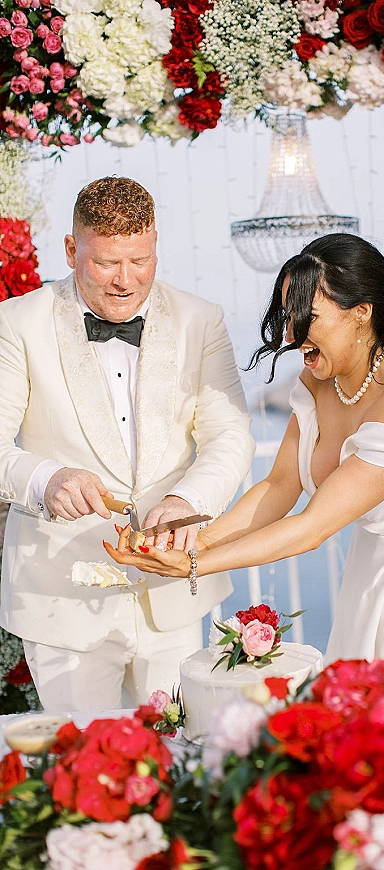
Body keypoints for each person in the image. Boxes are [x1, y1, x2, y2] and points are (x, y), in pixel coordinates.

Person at [105, 232, 384, 686]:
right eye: (287, 315)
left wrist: (193, 567)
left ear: (361, 313)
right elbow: (280, 485)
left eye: (307, 315)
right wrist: (193, 541)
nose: (289, 333)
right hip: (376, 568)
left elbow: (313, 526)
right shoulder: (318, 383)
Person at [0, 176, 254, 712]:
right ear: (72, 250)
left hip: (173, 591)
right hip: (61, 595)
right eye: (106, 263)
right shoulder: (17, 322)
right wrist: (47, 480)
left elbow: (229, 434)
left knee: (181, 750)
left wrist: (190, 502)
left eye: (141, 260)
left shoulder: (200, 320)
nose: (126, 281)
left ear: (156, 243)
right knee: (85, 765)